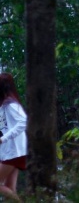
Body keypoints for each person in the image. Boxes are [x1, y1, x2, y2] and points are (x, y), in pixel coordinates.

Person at [0, 73, 27, 201]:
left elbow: (23, 121)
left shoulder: (10, 104)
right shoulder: (4, 105)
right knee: (9, 187)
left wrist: (3, 138)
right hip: (12, 152)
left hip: (14, 152)